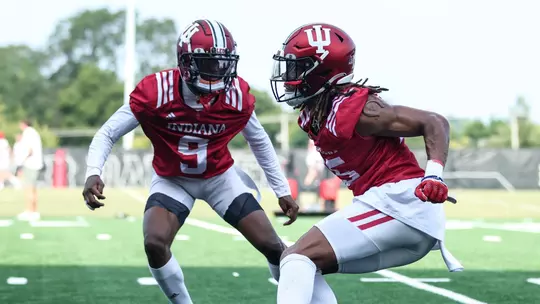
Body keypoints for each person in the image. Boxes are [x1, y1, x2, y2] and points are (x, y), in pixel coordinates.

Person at [82, 20, 334, 304]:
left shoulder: (236, 94)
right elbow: (108, 132)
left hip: (219, 178)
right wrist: (93, 172)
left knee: (272, 245)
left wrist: (281, 190)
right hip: (172, 179)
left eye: (223, 64)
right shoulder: (156, 92)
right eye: (209, 63)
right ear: (186, 62)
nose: (218, 72)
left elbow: (259, 140)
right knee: (155, 242)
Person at [270, 23, 463, 303]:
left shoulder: (356, 108)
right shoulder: (317, 112)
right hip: (390, 209)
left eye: (297, 68)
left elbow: (434, 122)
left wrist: (433, 174)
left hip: (400, 205)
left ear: (322, 70)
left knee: (297, 258)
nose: (289, 77)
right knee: (295, 262)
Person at [17, 120, 44, 221]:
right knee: (33, 189)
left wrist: (21, 161)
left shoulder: (28, 133)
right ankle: (33, 211)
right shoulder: (34, 132)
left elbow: (29, 150)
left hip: (30, 164)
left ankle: (30, 211)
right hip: (36, 164)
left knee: (29, 188)